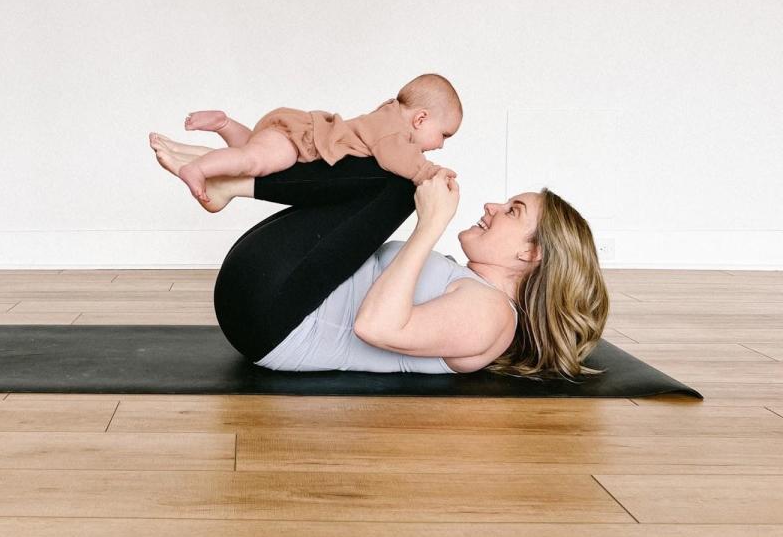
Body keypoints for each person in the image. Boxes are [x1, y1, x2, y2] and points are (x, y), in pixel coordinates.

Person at [148, 126, 609, 382]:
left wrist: (429, 224)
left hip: (275, 316)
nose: (491, 207)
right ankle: (233, 177)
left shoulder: (493, 319)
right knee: (394, 160)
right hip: (274, 297)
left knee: (398, 177)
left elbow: (376, 327)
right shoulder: (477, 294)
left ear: (532, 256)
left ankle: (231, 178)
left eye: (513, 211)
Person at [169, 74, 463, 206]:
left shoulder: (389, 116)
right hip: (302, 137)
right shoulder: (393, 132)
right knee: (255, 161)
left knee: (254, 154)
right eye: (443, 135)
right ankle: (197, 169)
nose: (440, 145)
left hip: (295, 132)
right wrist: (429, 172)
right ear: (421, 119)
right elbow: (397, 158)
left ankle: (225, 124)